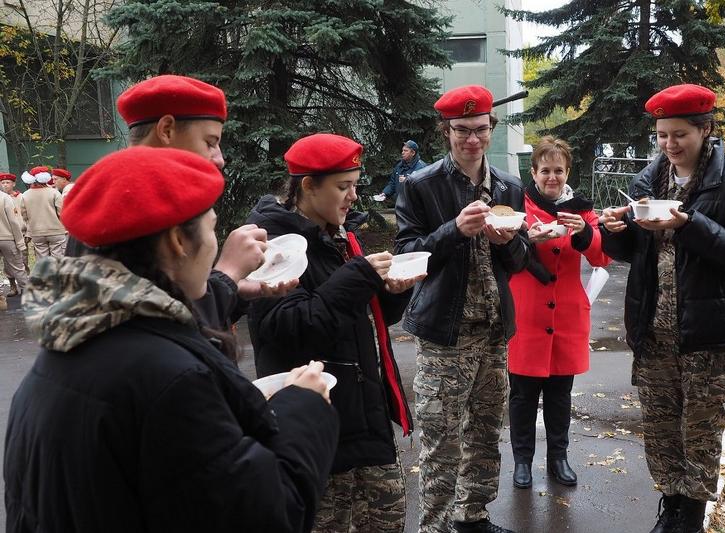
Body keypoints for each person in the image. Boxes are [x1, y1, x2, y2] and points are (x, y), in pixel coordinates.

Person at [4, 146, 339, 533]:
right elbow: (267, 514)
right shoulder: (171, 380)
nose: (215, 246)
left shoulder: (69, 342)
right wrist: (304, 405)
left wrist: (226, 289)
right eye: (212, 229)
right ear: (179, 242)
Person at [600, 84, 725, 533]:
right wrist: (614, 231)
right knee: (660, 427)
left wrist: (689, 224)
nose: (669, 145)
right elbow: (633, 253)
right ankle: (671, 505)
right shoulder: (647, 181)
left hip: (710, 333)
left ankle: (691, 516)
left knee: (700, 430)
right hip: (654, 330)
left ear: (705, 129)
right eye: (662, 135)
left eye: (679, 135)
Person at [247, 133, 420, 533]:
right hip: (318, 428)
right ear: (308, 186)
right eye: (343, 187)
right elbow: (291, 328)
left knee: (388, 521)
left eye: (355, 185)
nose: (353, 197)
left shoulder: (339, 235)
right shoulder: (275, 246)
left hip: (366, 419)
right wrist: (359, 277)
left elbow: (360, 319)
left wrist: (391, 292)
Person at [394, 85, 530, 533]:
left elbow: (521, 260)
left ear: (491, 128)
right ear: (446, 131)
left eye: (480, 129)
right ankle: (435, 526)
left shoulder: (509, 186)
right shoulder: (421, 184)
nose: (472, 139)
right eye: (462, 130)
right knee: (441, 440)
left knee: (486, 433)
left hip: (493, 332)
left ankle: (472, 517)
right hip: (445, 334)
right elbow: (407, 254)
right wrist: (453, 230)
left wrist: (507, 243)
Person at [114, 74, 298, 332]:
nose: (219, 159)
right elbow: (158, 331)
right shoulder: (130, 208)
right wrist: (228, 273)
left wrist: (234, 289)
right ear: (166, 130)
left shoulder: (137, 196)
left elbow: (178, 300)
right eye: (210, 143)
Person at [507, 136, 612, 491]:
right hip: (527, 315)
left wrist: (584, 233)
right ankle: (523, 461)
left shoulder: (580, 210)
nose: (552, 177)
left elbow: (602, 257)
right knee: (522, 395)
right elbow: (502, 250)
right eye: (545, 170)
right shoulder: (518, 207)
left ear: (567, 172)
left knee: (559, 394)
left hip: (566, 315)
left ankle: (558, 459)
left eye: (559, 170)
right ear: (534, 172)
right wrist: (526, 238)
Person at [19, 166, 66, 259]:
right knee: (57, 259)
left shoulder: (25, 195)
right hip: (56, 231)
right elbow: (61, 212)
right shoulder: (54, 192)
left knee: (42, 260)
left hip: (37, 232)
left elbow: (24, 215)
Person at [0, 172, 26, 296]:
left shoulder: (17, 197)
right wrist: (20, 241)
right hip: (7, 238)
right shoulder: (5, 198)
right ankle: (26, 291)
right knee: (17, 266)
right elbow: (13, 221)